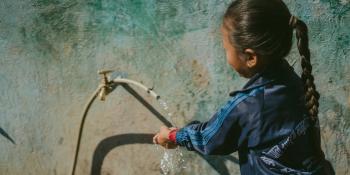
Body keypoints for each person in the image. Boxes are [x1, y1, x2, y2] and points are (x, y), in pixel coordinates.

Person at [153, 0, 334, 174]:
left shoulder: (248, 107)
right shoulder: (294, 81)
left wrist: (173, 136)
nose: (226, 55)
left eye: (226, 49)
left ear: (250, 57)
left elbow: (209, 139)